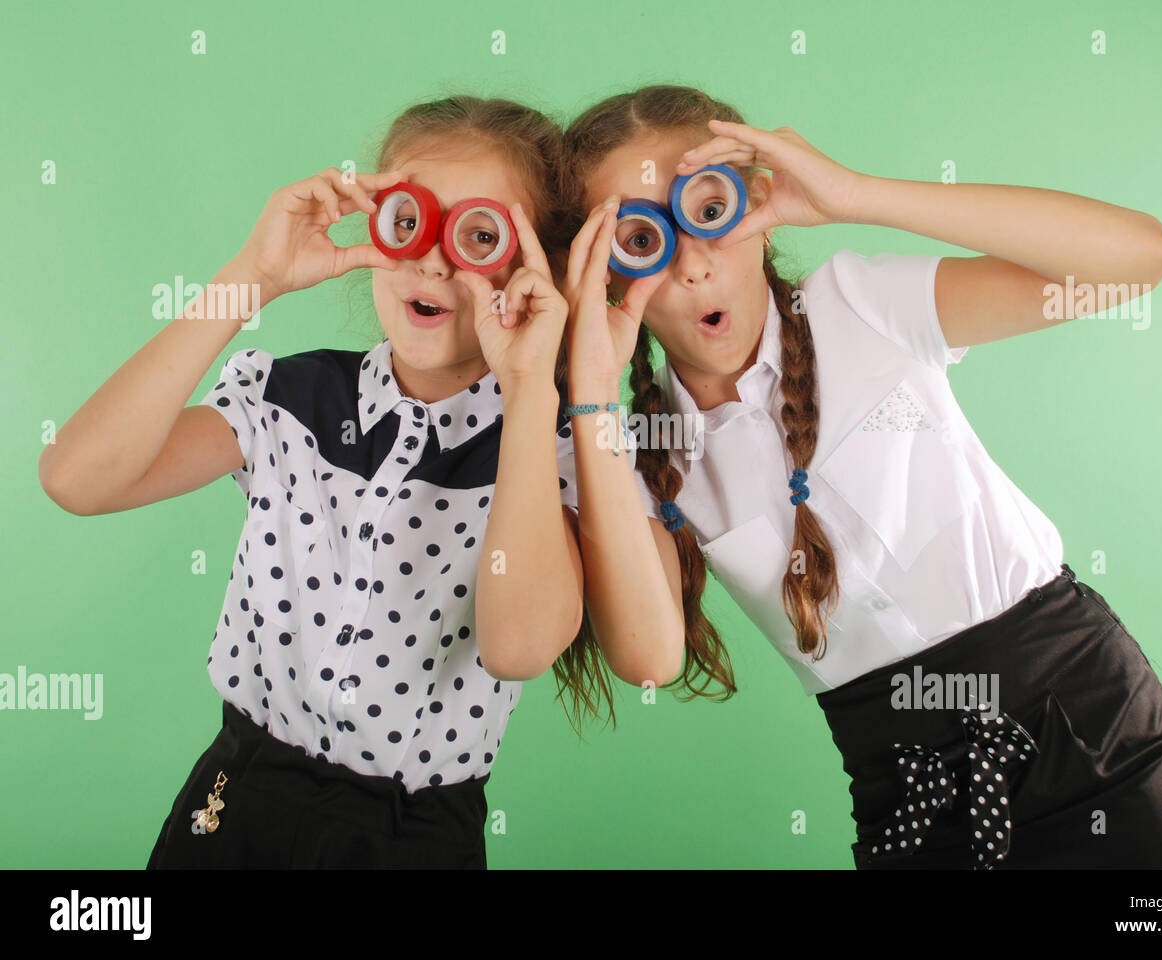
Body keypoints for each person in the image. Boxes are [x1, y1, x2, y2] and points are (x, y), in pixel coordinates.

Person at [556, 84, 1162, 868]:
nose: (695, 263)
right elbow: (649, 656)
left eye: (709, 209)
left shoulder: (857, 303)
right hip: (905, 783)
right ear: (601, 271)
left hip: (1084, 717)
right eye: (642, 238)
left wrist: (856, 194)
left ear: (758, 206)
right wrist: (591, 390)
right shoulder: (631, 450)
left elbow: (1135, 261)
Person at [37, 95, 682, 869]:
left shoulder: (561, 452)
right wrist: (253, 278)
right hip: (235, 804)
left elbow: (520, 647)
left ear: (532, 265)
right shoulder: (292, 402)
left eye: (479, 236)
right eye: (410, 222)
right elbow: (78, 478)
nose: (435, 260)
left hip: (414, 838)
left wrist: (531, 382)